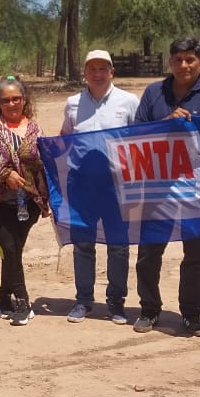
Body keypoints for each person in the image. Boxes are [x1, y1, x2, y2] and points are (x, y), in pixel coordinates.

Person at [132, 37, 200, 335]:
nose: (184, 65)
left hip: (196, 189)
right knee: (149, 252)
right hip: (156, 186)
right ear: (170, 62)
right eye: (178, 60)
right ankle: (149, 309)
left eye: (190, 59)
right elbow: (136, 136)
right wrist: (167, 123)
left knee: (196, 254)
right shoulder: (152, 93)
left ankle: (191, 313)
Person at [59, 49, 138, 325]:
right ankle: (83, 301)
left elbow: (140, 140)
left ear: (111, 72)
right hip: (81, 186)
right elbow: (65, 138)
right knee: (82, 244)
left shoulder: (129, 102)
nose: (97, 73)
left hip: (117, 186)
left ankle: (116, 304)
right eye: (92, 68)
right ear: (85, 73)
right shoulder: (72, 103)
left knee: (118, 245)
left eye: (103, 68)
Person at [0, 76, 50, 326]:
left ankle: (4, 298)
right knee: (10, 249)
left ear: (25, 100)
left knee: (12, 252)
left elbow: (46, 161)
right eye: (6, 100)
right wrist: (4, 173)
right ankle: (23, 303)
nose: (12, 104)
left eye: (16, 99)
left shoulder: (36, 130)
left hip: (28, 205)